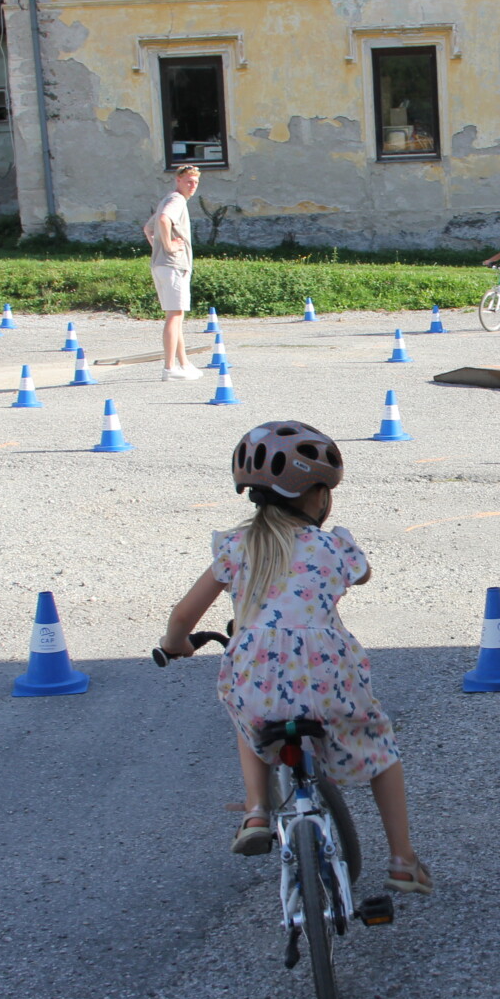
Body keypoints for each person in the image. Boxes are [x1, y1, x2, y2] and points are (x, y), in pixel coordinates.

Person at [157, 420, 432, 896]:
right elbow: (361, 576)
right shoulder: (334, 548)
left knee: (248, 718)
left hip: (256, 676)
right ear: (318, 497)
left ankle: (256, 810)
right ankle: (403, 859)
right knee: (380, 748)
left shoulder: (235, 548)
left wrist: (176, 643)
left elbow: (183, 617)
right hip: (329, 678)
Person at [142, 165, 200, 381]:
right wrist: (168, 246)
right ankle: (169, 368)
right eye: (188, 181)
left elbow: (148, 228)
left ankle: (183, 363)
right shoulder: (177, 200)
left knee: (176, 314)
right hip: (173, 264)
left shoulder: (168, 199)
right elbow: (164, 219)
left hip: (162, 265)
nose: (192, 186)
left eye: (195, 182)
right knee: (174, 316)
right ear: (178, 180)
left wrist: (158, 247)